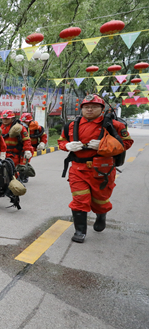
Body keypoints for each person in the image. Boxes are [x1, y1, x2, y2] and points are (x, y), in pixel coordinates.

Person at [58, 94, 133, 243]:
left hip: (102, 170)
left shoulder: (114, 125)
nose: (89, 109)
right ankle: (80, 231)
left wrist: (104, 145)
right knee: (79, 199)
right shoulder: (71, 126)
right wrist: (67, 146)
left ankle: (101, 215)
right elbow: (62, 141)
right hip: (78, 169)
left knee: (100, 201)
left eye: (94, 107)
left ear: (102, 109)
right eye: (86, 107)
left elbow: (127, 143)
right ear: (81, 109)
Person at [0, 110, 33, 182]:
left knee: (14, 172)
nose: (5, 120)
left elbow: (26, 140)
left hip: (14, 154)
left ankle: (16, 185)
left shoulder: (19, 127)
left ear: (12, 118)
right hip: (2, 154)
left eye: (7, 119)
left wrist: (27, 150)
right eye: (3, 119)